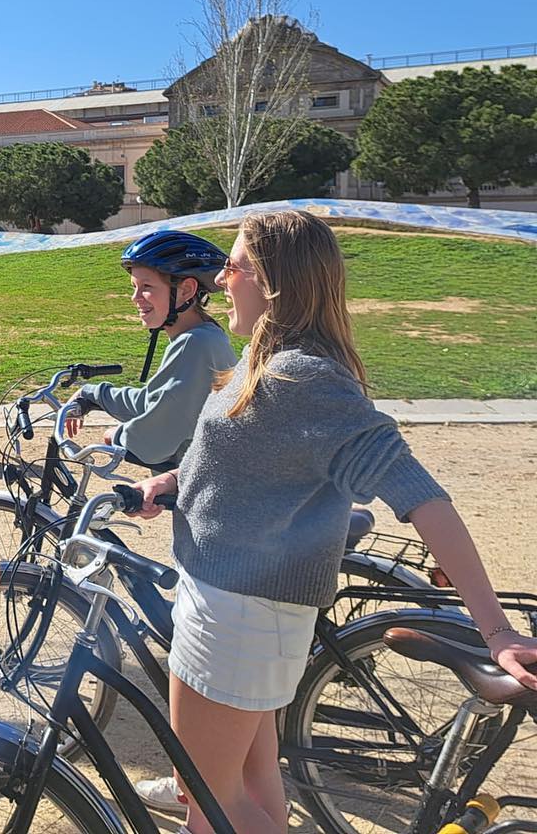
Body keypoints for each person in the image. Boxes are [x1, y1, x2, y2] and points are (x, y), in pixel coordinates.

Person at [126, 210, 537, 833]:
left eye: (231, 266)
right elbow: (247, 464)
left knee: (207, 805)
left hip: (238, 618)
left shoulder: (303, 377)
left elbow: (424, 497)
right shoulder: (270, 362)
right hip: (237, 612)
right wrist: (174, 482)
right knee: (256, 795)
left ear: (271, 282)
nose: (216, 281)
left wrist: (496, 630)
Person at [66, 230, 237, 470]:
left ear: (186, 290)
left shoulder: (195, 345)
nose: (135, 298)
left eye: (146, 286)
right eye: (134, 287)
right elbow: (153, 401)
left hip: (204, 495)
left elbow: (154, 439)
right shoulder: (204, 336)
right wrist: (93, 395)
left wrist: (116, 436)